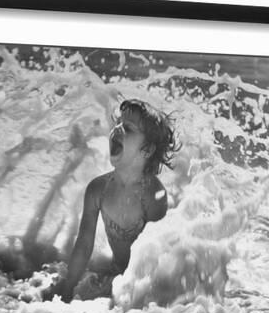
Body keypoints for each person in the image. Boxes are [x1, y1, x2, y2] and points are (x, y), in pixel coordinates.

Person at [56, 99, 181, 302]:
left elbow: (158, 257)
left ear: (146, 150)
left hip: (140, 284)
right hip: (115, 275)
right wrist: (68, 287)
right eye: (118, 124)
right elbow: (84, 244)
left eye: (128, 129)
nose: (117, 130)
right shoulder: (98, 189)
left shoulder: (152, 196)